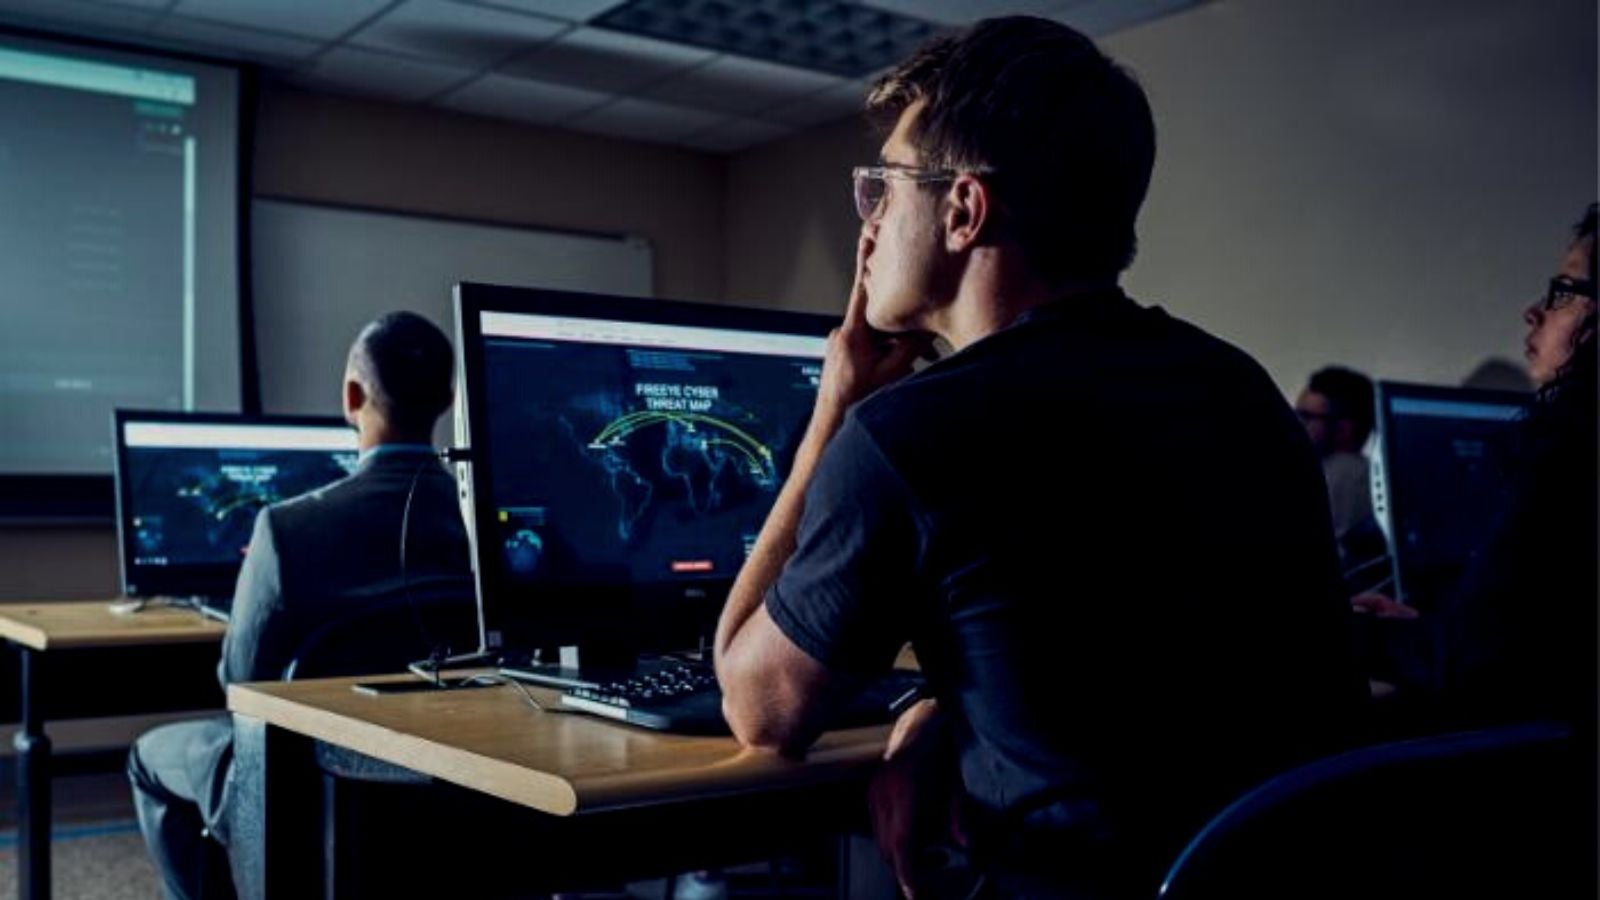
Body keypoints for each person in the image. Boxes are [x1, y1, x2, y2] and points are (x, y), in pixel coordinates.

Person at [714, 17, 1363, 899]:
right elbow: (1122, 654)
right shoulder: (1238, 391)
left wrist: (836, 405)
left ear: (963, 210)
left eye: (886, 190)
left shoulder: (909, 434)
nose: (866, 230)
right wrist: (941, 706)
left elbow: (759, 706)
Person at [127, 311, 471, 900]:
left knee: (147, 757)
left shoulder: (288, 528)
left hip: (299, 791)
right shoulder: (489, 526)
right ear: (445, 397)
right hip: (462, 788)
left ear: (351, 396)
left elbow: (241, 683)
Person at [1355, 203, 1597, 728]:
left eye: (1563, 292)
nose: (1533, 311)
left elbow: (1472, 669)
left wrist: (1347, 631)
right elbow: (1531, 643)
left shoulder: (1568, 455)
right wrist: (1435, 628)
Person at [1294, 365, 1379, 562]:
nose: (1296, 423)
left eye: (1306, 417)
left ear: (1343, 429)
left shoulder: (1344, 473)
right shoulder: (1367, 474)